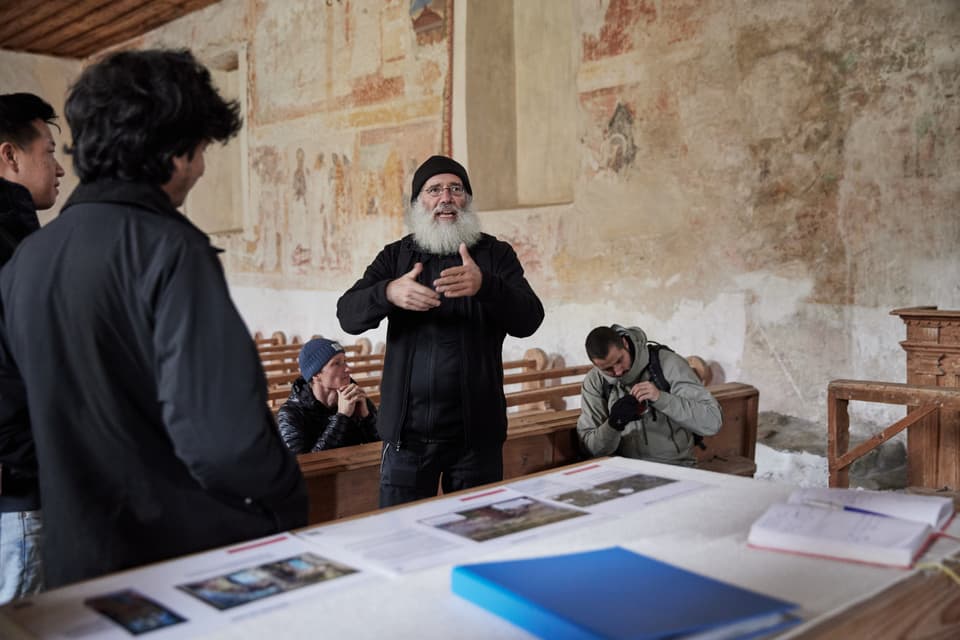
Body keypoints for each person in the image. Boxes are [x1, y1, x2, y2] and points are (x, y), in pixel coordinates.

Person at [0, 49, 306, 589]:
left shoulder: (30, 258)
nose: (203, 166)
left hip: (77, 559)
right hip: (175, 560)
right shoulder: (168, 247)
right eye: (202, 148)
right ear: (172, 150)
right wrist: (286, 494)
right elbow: (225, 443)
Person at [337, 155, 544, 507]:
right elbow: (347, 314)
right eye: (434, 190)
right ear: (419, 203)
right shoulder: (396, 257)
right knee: (402, 540)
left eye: (455, 189)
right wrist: (387, 293)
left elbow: (530, 319)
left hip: (476, 439)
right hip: (407, 439)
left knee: (477, 538)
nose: (445, 198)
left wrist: (487, 286)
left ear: (467, 199)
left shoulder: (495, 255)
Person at [0, 92, 65, 603]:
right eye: (48, 151)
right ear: (9, 155)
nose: (59, 168)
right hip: (19, 492)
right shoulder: (14, 245)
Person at [577, 324, 722, 466]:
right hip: (623, 471)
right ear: (596, 365)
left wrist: (661, 398)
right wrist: (613, 424)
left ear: (625, 343)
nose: (618, 372)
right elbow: (591, 449)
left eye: (619, 360)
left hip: (675, 467)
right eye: (607, 369)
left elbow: (712, 422)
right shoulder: (595, 381)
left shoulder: (667, 363)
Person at [277, 338, 379, 453]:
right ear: (316, 374)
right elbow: (304, 465)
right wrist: (342, 417)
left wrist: (367, 418)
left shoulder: (356, 397)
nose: (348, 368)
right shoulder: (290, 413)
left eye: (345, 361)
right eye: (337, 363)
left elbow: (384, 451)